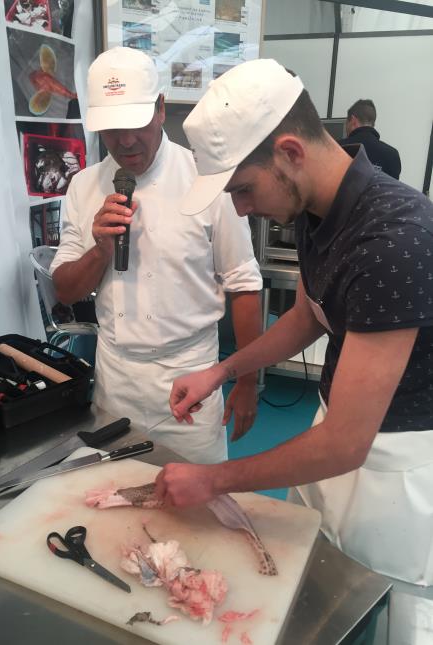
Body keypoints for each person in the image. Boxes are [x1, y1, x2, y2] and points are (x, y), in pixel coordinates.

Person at [154, 58, 433, 642]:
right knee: (316, 591)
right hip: (337, 438)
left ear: (290, 152)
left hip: (396, 466)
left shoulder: (395, 241)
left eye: (243, 190)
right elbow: (309, 315)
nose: (239, 208)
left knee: (381, 617)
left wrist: (212, 480)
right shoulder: (316, 209)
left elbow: (344, 445)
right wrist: (224, 370)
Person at [50, 47, 263, 464]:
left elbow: (244, 284)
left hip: (192, 377)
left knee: (199, 509)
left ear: (161, 108)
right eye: (111, 128)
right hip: (116, 379)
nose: (125, 140)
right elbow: (64, 289)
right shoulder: (83, 186)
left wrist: (248, 381)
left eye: (136, 122)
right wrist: (100, 249)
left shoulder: (208, 181)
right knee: (115, 505)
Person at [340, 98, 401, 179]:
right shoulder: (392, 155)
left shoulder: (337, 148)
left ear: (353, 120)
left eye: (346, 123)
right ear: (373, 123)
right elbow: (393, 189)